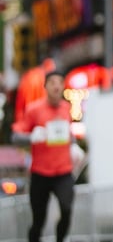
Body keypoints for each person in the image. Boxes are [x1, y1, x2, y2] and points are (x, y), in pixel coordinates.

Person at [11, 69, 75, 242]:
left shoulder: (67, 108)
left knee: (67, 209)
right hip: (41, 173)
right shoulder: (33, 110)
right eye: (52, 82)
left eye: (60, 83)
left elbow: (70, 134)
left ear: (63, 86)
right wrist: (30, 136)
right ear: (45, 86)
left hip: (63, 171)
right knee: (39, 220)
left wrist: (75, 146)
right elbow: (15, 136)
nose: (56, 86)